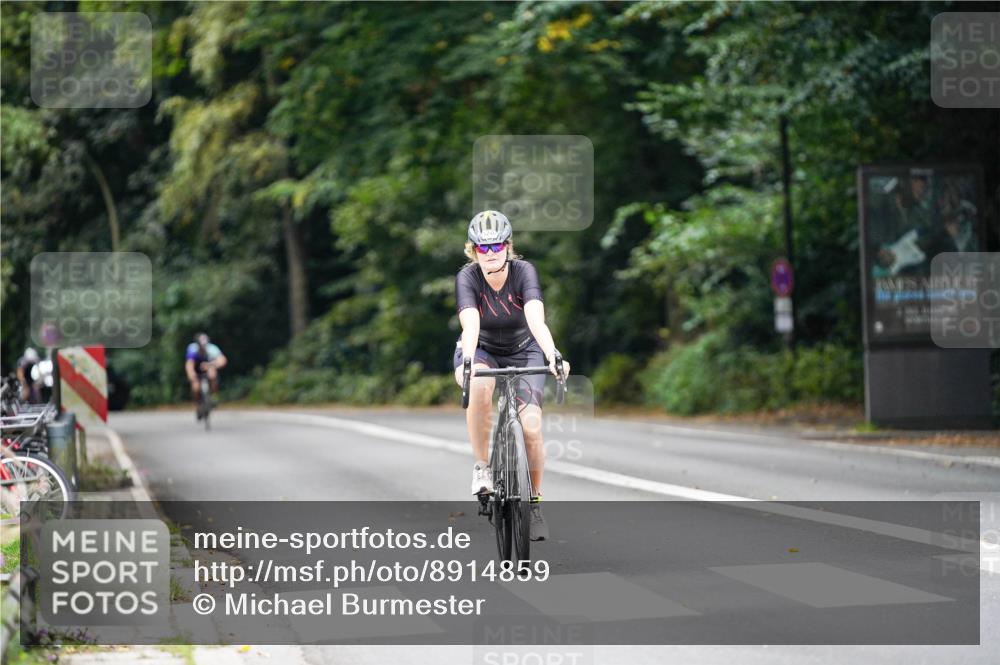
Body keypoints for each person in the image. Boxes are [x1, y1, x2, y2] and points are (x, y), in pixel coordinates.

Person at [452, 210, 570, 541]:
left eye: (497, 247)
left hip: (525, 350)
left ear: (508, 246)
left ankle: (533, 505)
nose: (490, 255)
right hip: (482, 350)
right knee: (480, 383)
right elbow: (471, 323)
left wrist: (552, 354)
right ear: (472, 250)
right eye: (482, 249)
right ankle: (482, 468)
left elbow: (536, 318)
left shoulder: (524, 272)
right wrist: (470, 360)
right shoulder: (468, 277)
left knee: (531, 428)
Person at [185, 333, 227, 419]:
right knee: (195, 387)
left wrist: (213, 364)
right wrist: (191, 374)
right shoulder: (193, 349)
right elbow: (189, 364)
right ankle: (197, 404)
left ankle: (213, 396)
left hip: (208, 366)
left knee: (212, 374)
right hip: (196, 368)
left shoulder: (212, 349)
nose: (203, 347)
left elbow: (223, 360)